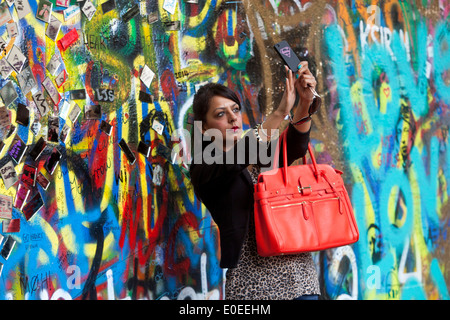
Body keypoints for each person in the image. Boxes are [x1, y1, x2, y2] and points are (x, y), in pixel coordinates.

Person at [189, 61, 321, 300]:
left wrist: (304, 102)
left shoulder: (258, 152)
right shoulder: (204, 168)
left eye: (235, 109)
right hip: (253, 288)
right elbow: (236, 159)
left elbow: (295, 144)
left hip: (300, 281)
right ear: (203, 127)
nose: (232, 118)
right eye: (221, 114)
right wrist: (280, 113)